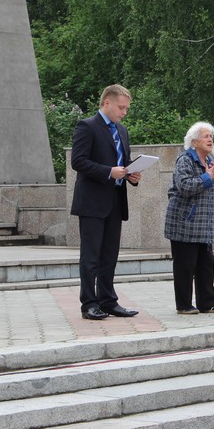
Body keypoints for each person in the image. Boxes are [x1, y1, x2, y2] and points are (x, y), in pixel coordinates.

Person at [70, 84, 142, 320]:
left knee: (110, 255)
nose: (124, 112)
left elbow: (124, 160)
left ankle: (108, 301)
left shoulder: (122, 130)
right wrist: (108, 172)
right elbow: (78, 161)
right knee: (91, 256)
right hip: (92, 202)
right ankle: (89, 303)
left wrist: (132, 174)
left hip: (115, 200)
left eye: (127, 109)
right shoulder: (87, 126)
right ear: (107, 103)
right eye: (121, 108)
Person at [164, 121, 214, 314]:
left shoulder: (210, 162)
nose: (210, 139)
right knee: (185, 267)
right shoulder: (185, 160)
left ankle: (207, 303)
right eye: (206, 136)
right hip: (185, 223)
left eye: (211, 136)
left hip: (204, 225)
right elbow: (184, 186)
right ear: (194, 142)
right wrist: (207, 177)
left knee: (206, 266)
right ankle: (184, 305)